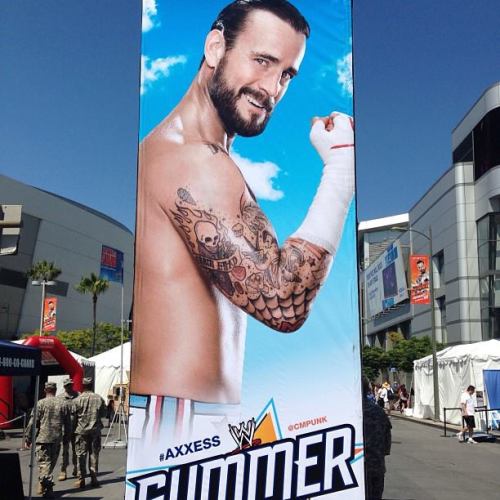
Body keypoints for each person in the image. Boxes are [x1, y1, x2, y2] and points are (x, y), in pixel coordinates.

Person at [131, 0, 354, 440]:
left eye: (286, 74)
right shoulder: (194, 160)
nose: (272, 87)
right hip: (177, 422)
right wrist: (341, 169)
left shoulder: (193, 154)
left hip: (189, 414)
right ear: (216, 47)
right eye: (262, 61)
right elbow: (285, 299)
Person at [26, 381, 70, 498]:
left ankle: (48, 487)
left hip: (43, 439)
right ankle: (43, 483)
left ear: (45, 390)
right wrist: (67, 437)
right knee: (49, 465)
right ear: (55, 390)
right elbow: (68, 423)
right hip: (56, 438)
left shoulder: (40, 403)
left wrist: (28, 438)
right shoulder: (63, 403)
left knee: (45, 464)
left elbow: (32, 422)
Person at [72, 377, 106, 488]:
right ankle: (94, 477)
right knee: (94, 454)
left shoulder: (77, 399)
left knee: (81, 454)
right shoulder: (99, 398)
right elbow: (103, 414)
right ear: (92, 385)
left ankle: (81, 479)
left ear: (83, 386)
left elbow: (73, 417)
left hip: (81, 431)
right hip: (95, 431)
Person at [362, 376, 392, 500]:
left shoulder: (343, 413)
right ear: (368, 390)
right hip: (376, 467)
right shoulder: (379, 412)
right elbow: (386, 446)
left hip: (348, 471)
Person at [57, 378, 79, 481]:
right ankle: (63, 470)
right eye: (67, 385)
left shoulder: (78, 396)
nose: (69, 387)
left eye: (70, 385)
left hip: (77, 428)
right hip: (64, 429)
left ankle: (76, 467)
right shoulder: (60, 398)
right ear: (64, 386)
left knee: (77, 450)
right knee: (64, 450)